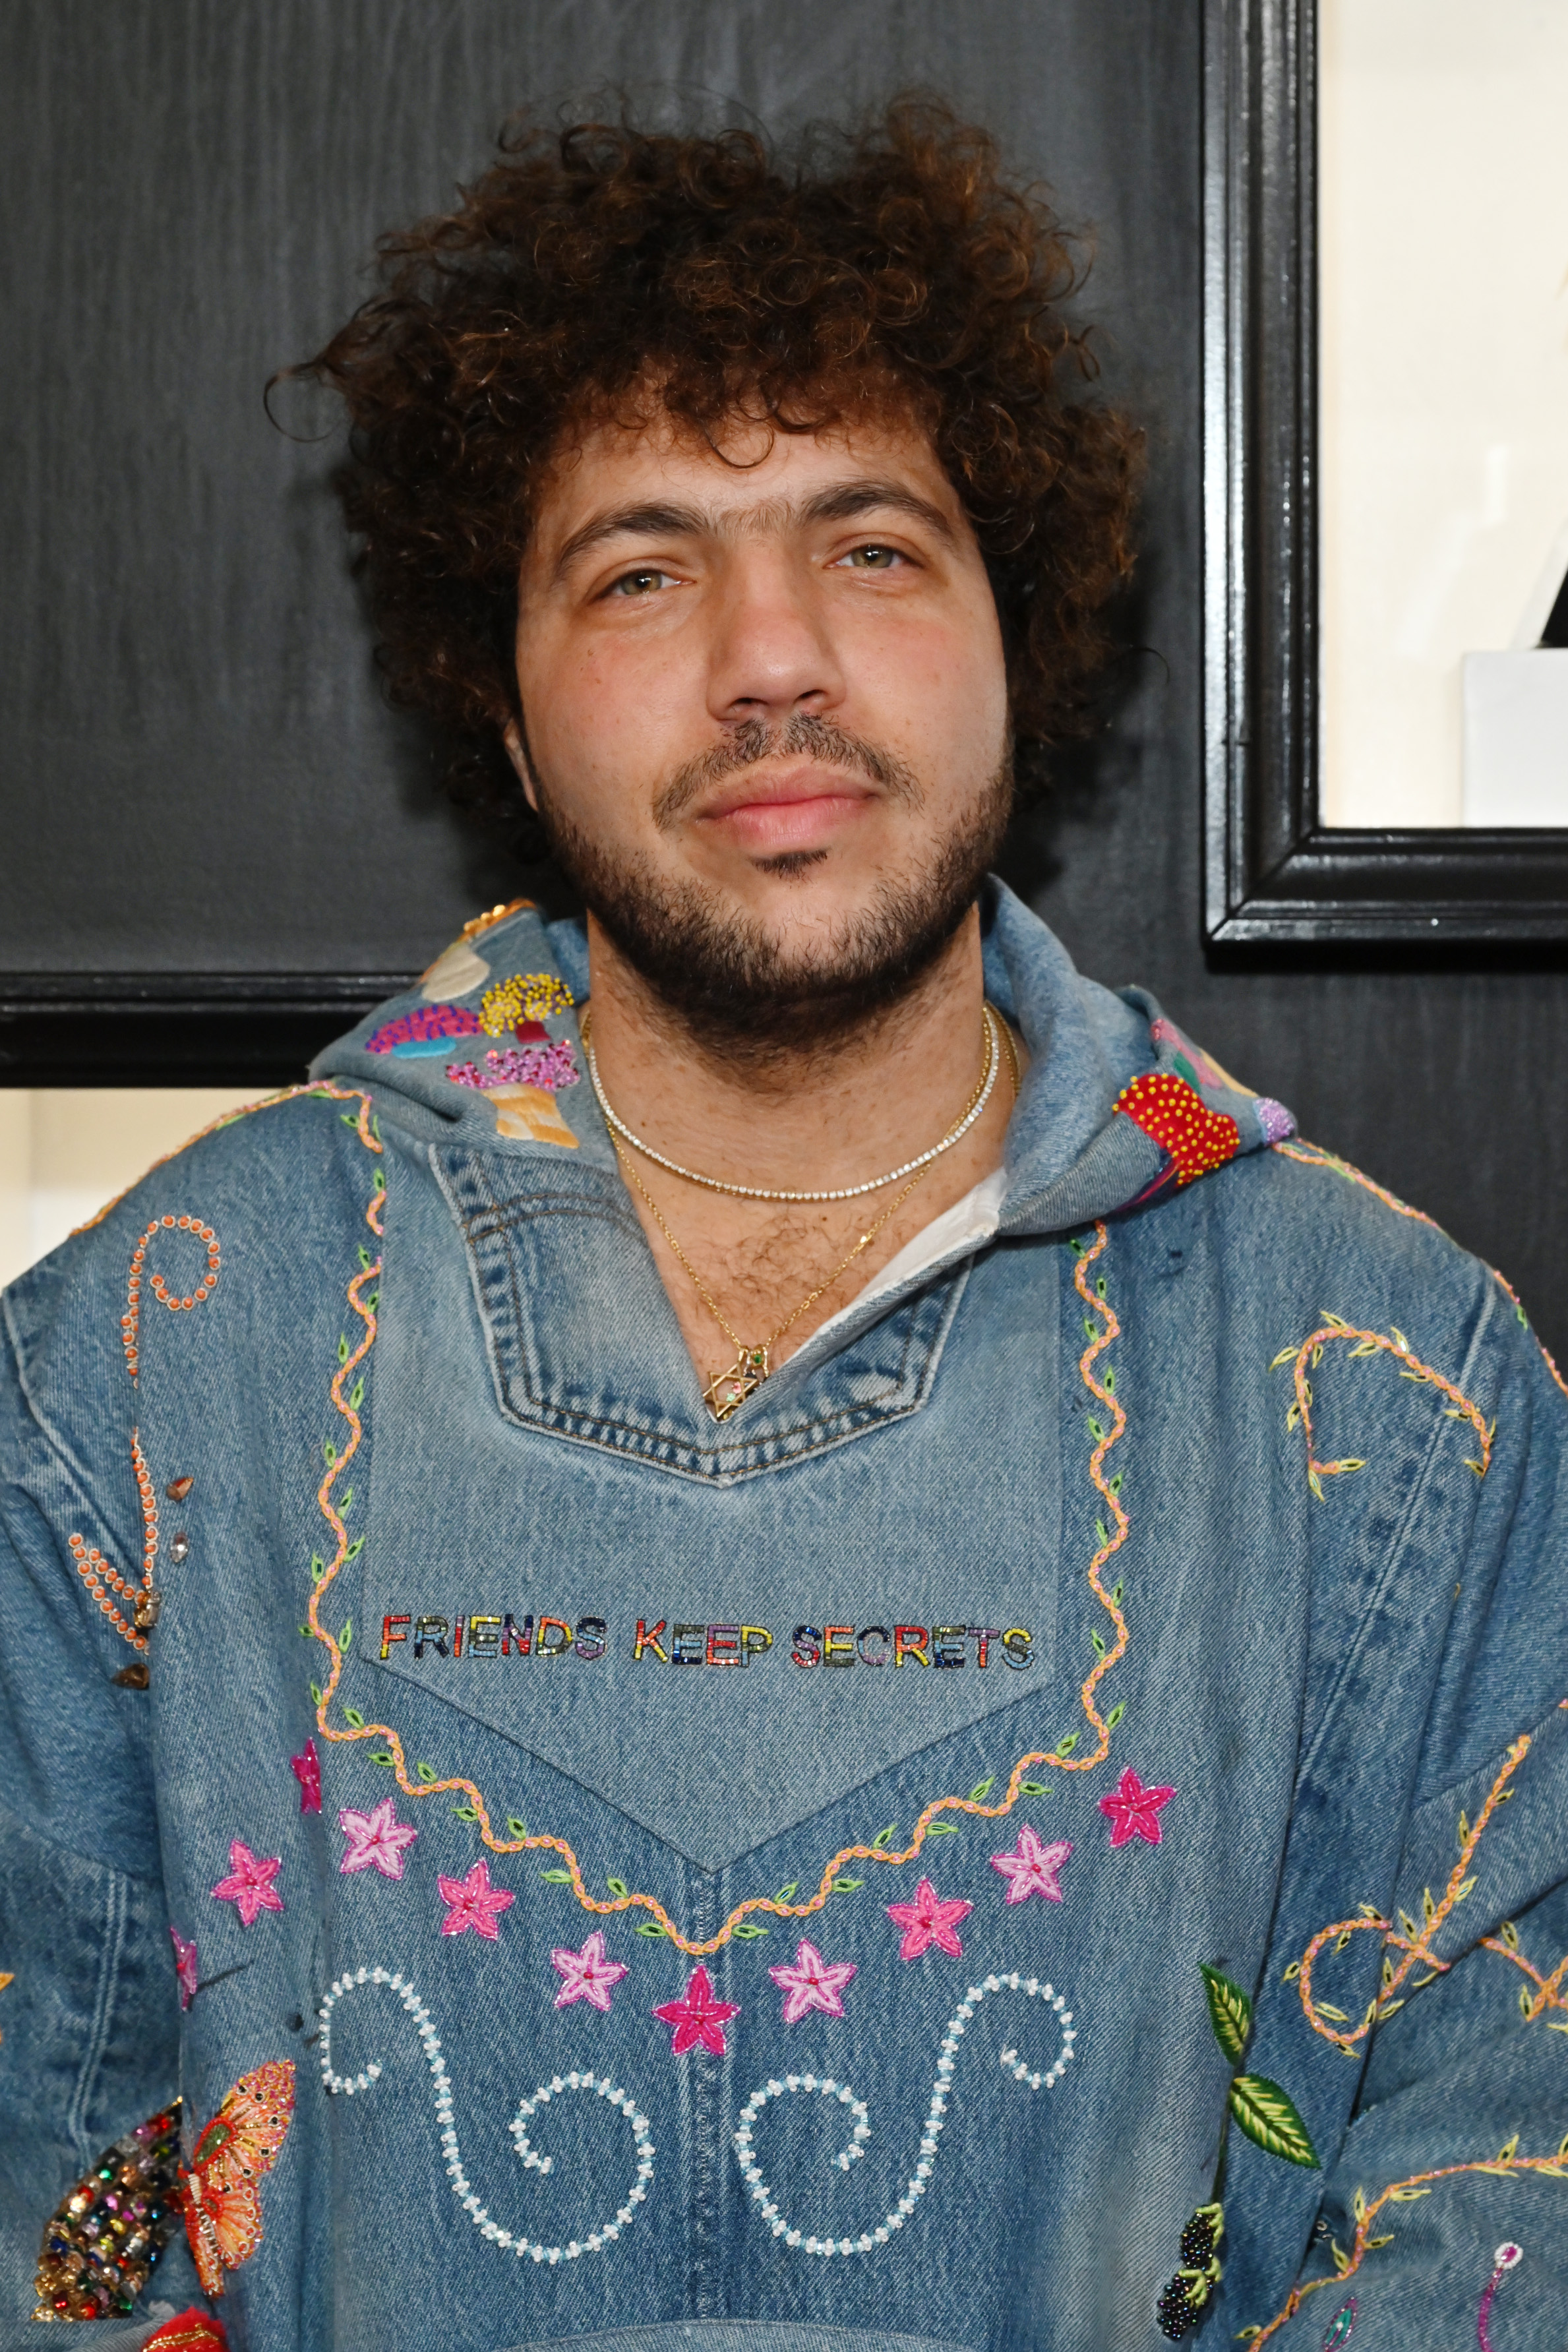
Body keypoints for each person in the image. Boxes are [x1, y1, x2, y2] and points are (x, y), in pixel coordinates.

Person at [3, 101, 1565, 2352]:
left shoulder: (1388, 1387)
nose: (770, 659)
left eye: (872, 549)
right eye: (641, 570)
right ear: (509, 718)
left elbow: (1502, 2186)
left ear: (1014, 634)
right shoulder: (151, 1357)